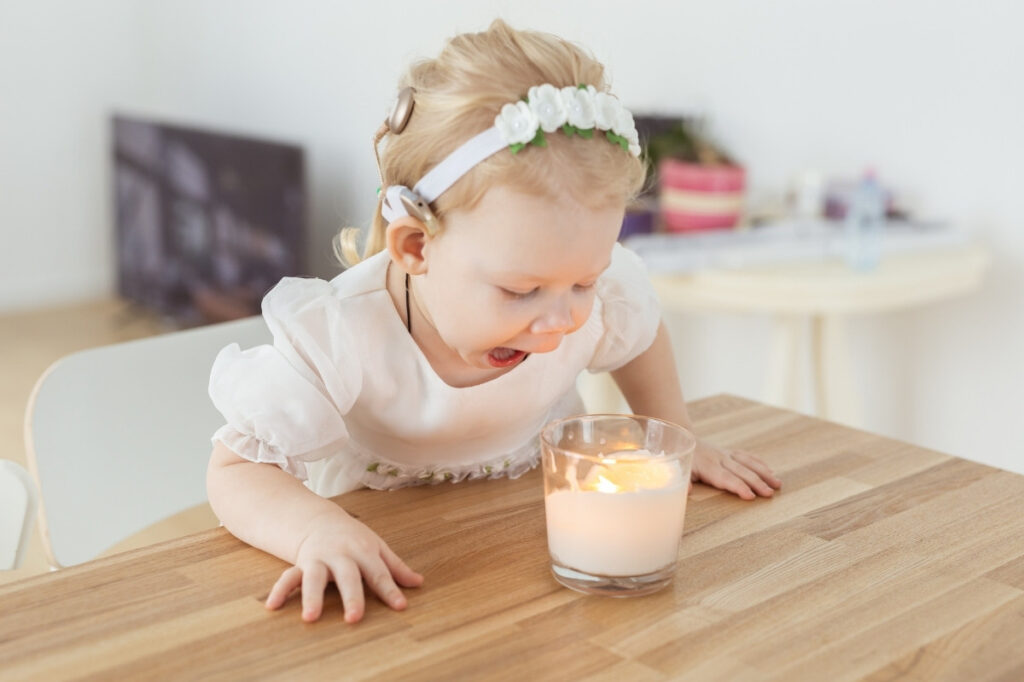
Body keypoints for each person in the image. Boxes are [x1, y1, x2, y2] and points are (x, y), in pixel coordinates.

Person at [206, 19, 781, 625]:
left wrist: (671, 435)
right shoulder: (341, 334)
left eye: (585, 280)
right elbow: (238, 469)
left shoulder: (584, 295)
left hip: (531, 552)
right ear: (416, 248)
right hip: (403, 580)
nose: (562, 320)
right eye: (521, 291)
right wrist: (315, 532)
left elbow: (637, 333)